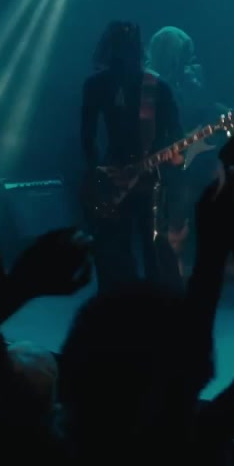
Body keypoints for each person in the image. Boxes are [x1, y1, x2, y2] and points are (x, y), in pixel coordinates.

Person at [81, 20, 184, 292]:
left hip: (147, 180)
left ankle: (151, 306)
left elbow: (176, 135)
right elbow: (87, 138)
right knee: (119, 255)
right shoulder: (97, 86)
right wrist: (98, 175)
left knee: (151, 253)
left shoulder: (157, 88)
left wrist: (173, 156)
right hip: (112, 180)